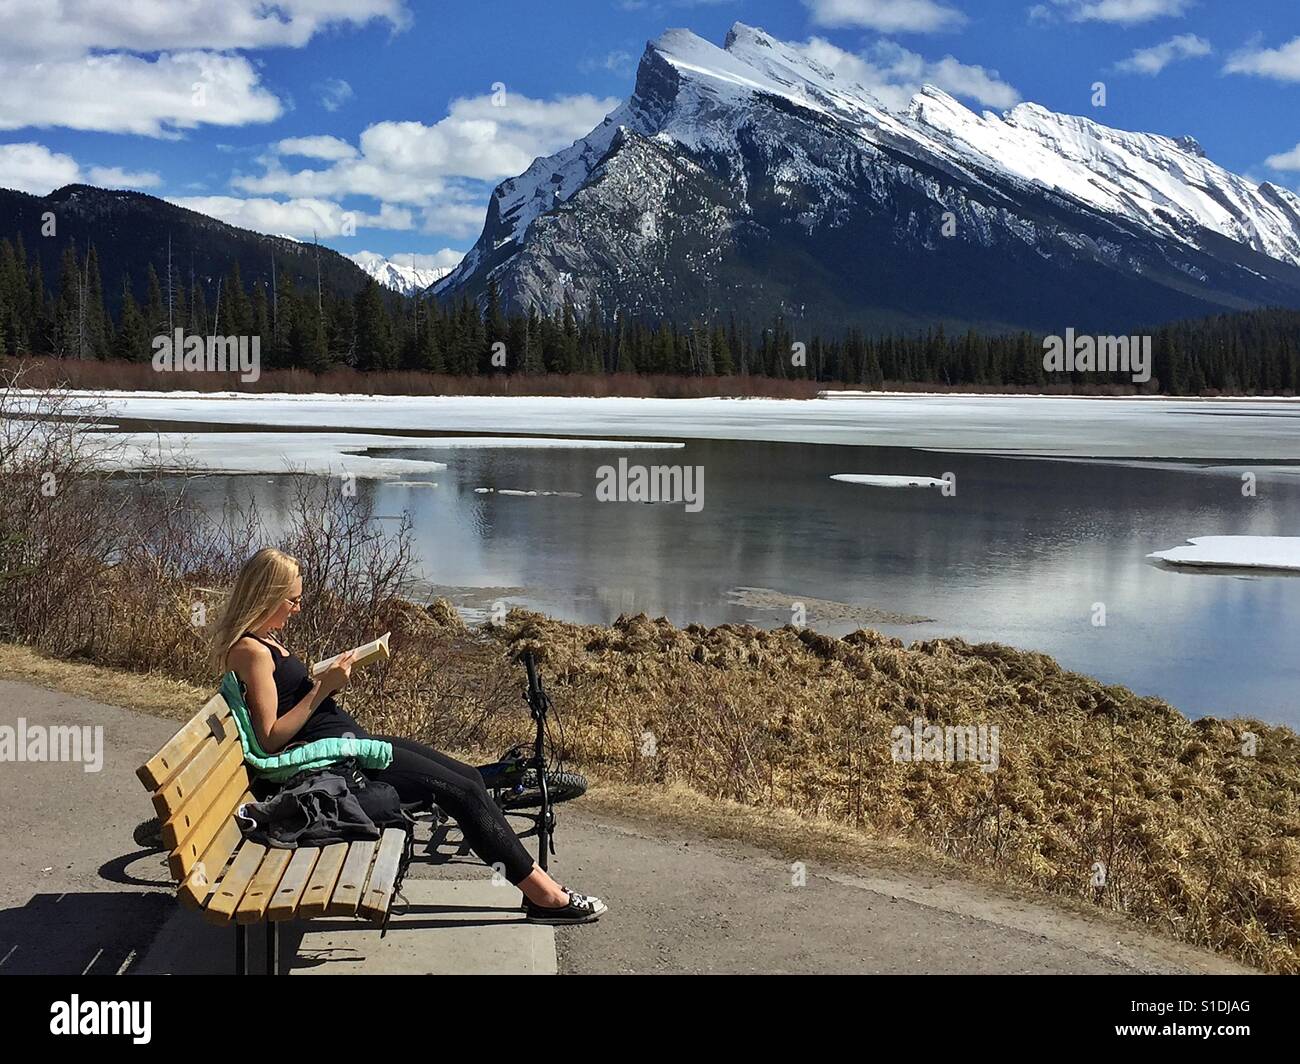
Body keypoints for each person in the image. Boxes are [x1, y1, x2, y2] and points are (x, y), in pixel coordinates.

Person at [210, 547, 607, 924]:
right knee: (462, 794)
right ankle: (546, 898)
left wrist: (325, 678)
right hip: (335, 763)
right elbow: (270, 739)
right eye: (292, 600)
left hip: (351, 747)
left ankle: (539, 888)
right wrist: (322, 689)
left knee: (469, 778)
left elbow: (284, 699)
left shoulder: (267, 639)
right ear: (268, 594)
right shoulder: (252, 651)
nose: (297, 609)